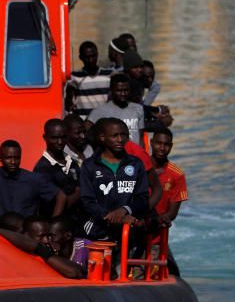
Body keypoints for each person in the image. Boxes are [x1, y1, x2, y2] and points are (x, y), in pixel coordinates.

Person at [78, 118, 150, 243]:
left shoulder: (136, 164)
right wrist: (110, 217)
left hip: (129, 232)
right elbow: (87, 201)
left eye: (124, 135)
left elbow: (142, 198)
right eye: (115, 136)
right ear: (102, 137)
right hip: (97, 232)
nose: (120, 140)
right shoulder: (89, 166)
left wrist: (124, 210)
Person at [0, 140, 65, 221]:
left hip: (25, 232)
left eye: (17, 158)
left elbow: (61, 196)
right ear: (0, 158)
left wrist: (54, 223)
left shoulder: (33, 179)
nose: (13, 162)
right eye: (8, 158)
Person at [148, 127, 188, 275]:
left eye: (166, 145)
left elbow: (172, 213)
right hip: (133, 231)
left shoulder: (177, 175)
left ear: (171, 146)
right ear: (151, 143)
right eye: (158, 143)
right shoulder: (138, 166)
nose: (162, 148)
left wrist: (158, 219)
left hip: (157, 236)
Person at [33, 119, 81, 216]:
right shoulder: (42, 169)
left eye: (63, 137)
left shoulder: (72, 162)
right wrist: (80, 192)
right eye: (54, 138)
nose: (60, 142)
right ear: (45, 137)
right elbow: (57, 202)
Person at [88, 73, 145, 142]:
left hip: (134, 152)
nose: (123, 94)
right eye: (119, 91)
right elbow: (85, 131)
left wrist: (142, 152)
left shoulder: (138, 108)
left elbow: (141, 137)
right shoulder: (100, 111)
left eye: (126, 90)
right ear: (111, 90)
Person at [66, 41, 113, 117]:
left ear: (97, 55)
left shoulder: (108, 74)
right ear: (81, 58)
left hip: (104, 120)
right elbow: (69, 100)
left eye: (93, 56)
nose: (91, 60)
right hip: (84, 121)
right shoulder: (75, 77)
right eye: (87, 57)